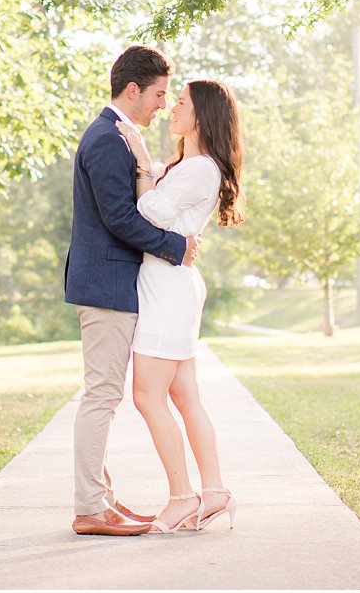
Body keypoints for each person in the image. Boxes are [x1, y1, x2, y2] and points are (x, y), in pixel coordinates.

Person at [63, 45, 201, 537]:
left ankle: (102, 499)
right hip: (105, 285)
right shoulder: (105, 139)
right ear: (133, 89)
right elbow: (119, 218)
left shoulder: (120, 138)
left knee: (104, 393)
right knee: (101, 395)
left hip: (113, 284)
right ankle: (90, 508)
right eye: (160, 94)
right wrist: (175, 246)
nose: (164, 105)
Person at [117, 79, 244, 534]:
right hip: (170, 283)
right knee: (185, 396)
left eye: (182, 102)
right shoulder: (190, 166)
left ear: (202, 115)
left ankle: (181, 497)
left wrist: (143, 167)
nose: (171, 107)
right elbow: (160, 211)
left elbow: (147, 212)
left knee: (147, 396)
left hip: (168, 290)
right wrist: (154, 173)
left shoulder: (199, 169)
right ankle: (213, 493)